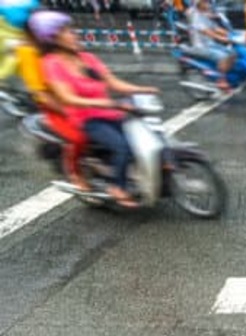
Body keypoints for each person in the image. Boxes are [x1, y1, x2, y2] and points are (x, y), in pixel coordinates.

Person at [33, 11, 159, 207]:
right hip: (86, 119)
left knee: (143, 134)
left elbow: (114, 83)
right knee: (122, 146)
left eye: (71, 30)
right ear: (53, 38)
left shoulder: (87, 58)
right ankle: (116, 187)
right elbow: (68, 98)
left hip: (109, 112)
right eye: (66, 31)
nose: (74, 34)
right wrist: (106, 103)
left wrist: (144, 89)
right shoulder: (51, 64)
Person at [17, 11, 87, 191]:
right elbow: (40, 92)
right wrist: (65, 110)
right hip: (55, 103)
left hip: (77, 97)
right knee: (78, 137)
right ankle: (74, 173)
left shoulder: (53, 47)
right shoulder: (27, 51)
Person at [188, 0, 234, 91]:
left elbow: (215, 28)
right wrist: (222, 38)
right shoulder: (195, 16)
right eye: (205, 2)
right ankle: (222, 80)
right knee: (223, 56)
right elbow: (207, 32)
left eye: (208, 2)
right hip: (200, 47)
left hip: (210, 44)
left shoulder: (205, 15)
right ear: (199, 4)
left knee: (233, 53)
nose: (208, 4)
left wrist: (231, 34)